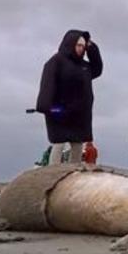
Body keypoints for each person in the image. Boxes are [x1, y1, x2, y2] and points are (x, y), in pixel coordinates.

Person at [36, 30, 103, 165]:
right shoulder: (56, 62)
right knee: (59, 143)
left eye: (83, 46)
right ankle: (53, 172)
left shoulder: (84, 66)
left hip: (79, 115)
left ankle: (75, 173)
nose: (81, 49)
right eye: (79, 45)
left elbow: (97, 69)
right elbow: (47, 86)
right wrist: (51, 108)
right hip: (59, 112)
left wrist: (91, 48)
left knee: (77, 145)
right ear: (70, 44)